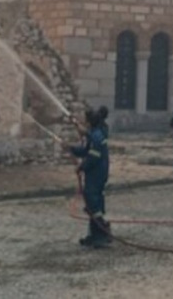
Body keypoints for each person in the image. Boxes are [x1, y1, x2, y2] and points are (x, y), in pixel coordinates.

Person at [68, 105, 112, 248]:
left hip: (97, 174)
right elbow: (84, 150)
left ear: (89, 122)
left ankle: (103, 233)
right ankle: (94, 235)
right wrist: (70, 148)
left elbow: (93, 157)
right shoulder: (94, 133)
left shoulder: (97, 136)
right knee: (92, 202)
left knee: (93, 202)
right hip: (95, 173)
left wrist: (81, 167)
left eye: (85, 120)